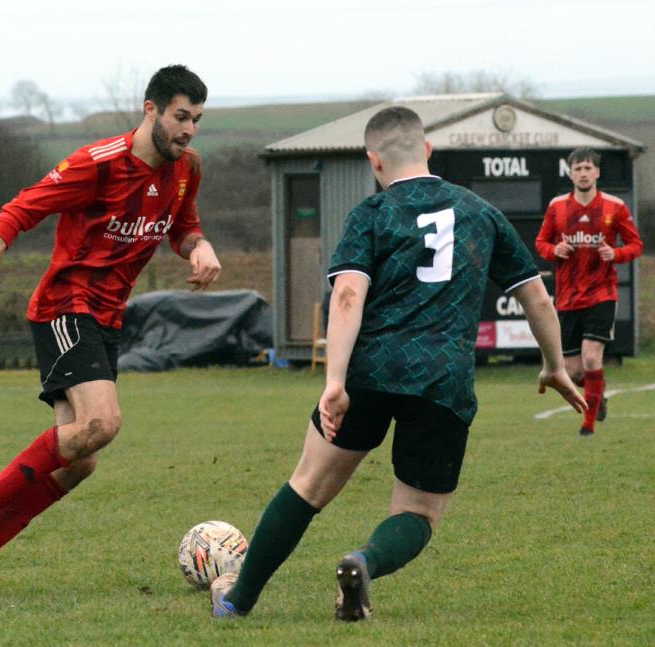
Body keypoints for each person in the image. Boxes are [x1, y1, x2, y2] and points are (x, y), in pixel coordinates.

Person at [209, 106, 586, 621]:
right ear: (427, 149)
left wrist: (334, 381)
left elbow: (347, 296)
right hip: (443, 380)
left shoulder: (372, 213)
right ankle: (364, 561)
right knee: (418, 511)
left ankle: (236, 601)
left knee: (309, 484)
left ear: (373, 161)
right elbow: (538, 299)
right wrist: (554, 366)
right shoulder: (480, 211)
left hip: (369, 369)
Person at [0, 64, 221, 597]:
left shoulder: (186, 169)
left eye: (198, 120)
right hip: (66, 306)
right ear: (150, 109)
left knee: (81, 460)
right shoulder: (98, 164)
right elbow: (18, 210)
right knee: (102, 424)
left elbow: (182, 227)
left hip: (108, 319)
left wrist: (199, 246)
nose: (189, 131)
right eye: (181, 117)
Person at [535, 147, 643, 436]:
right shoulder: (558, 206)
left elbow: (636, 245)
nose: (583, 173)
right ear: (570, 173)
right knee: (573, 372)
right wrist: (554, 249)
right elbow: (541, 243)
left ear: (597, 172)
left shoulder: (614, 207)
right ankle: (600, 392)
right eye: (578, 168)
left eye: (587, 168)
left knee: (593, 358)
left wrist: (616, 254)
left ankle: (588, 424)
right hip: (568, 296)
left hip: (601, 294)